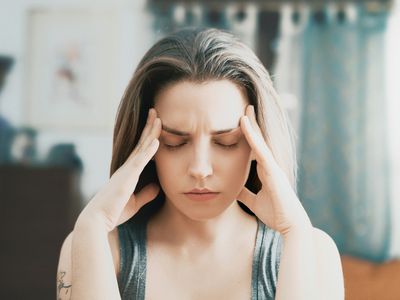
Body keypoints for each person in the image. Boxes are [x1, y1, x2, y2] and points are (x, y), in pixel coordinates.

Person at [56, 28, 344, 299]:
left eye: (226, 142)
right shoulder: (98, 245)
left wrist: (295, 234)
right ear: (145, 148)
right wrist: (92, 225)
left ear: (259, 146)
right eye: (175, 142)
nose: (200, 169)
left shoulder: (313, 251)